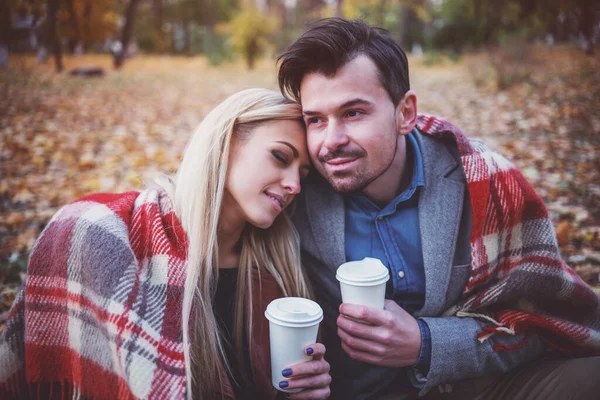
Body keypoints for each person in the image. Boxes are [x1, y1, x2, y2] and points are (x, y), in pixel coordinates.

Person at [277, 18, 600, 400]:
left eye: (353, 113)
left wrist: (426, 343)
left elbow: (548, 324)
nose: (331, 141)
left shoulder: (482, 180)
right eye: (315, 120)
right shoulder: (292, 194)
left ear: (405, 113)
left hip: (476, 387)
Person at [0, 88, 332, 400]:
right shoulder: (108, 237)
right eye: (279, 156)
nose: (294, 186)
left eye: (302, 174)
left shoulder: (279, 269)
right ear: (224, 144)